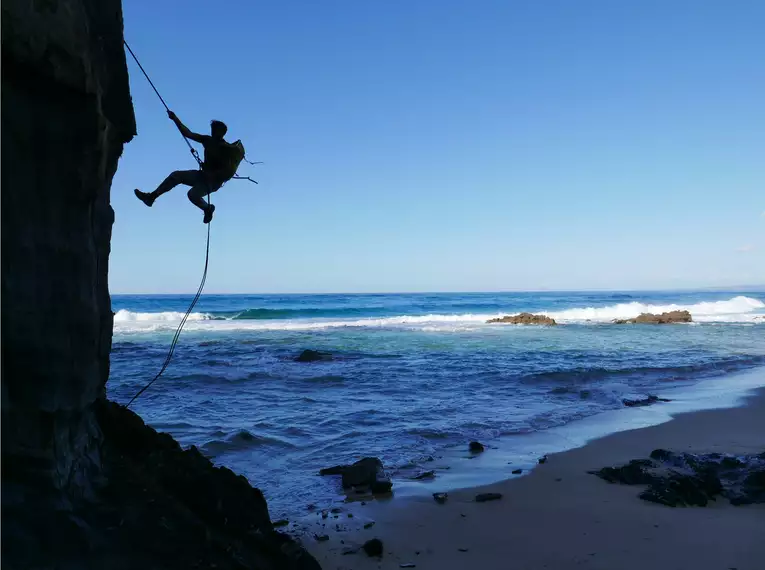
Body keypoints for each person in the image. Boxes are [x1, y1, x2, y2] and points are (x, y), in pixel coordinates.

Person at [134, 111, 244, 223]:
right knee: (176, 175)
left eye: (215, 130)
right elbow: (187, 133)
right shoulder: (207, 140)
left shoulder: (226, 149)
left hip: (213, 182)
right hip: (201, 175)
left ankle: (208, 208)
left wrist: (212, 175)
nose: (213, 132)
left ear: (222, 132)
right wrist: (175, 118)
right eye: (212, 129)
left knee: (192, 195)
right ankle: (151, 197)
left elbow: (227, 171)